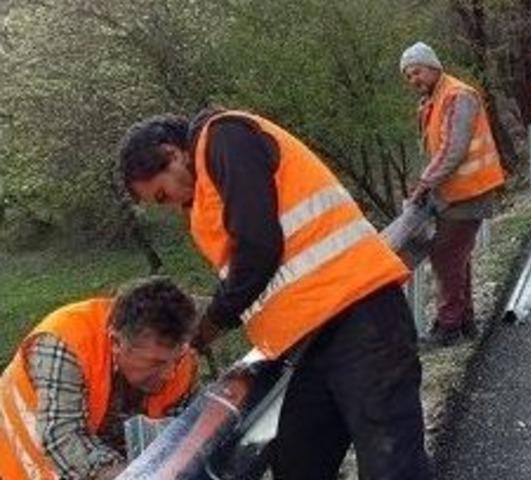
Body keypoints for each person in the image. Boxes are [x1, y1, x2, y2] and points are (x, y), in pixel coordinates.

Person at [118, 109, 430, 480]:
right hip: (310, 341)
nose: (169, 204)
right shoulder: (207, 189)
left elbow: (258, 248)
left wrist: (214, 321)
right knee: (299, 464)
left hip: (360, 318)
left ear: (172, 154)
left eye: (162, 193)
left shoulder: (225, 139)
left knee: (391, 464)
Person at [0, 276, 199, 480]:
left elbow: (177, 439)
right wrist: (130, 476)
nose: (170, 374)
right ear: (116, 342)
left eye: (176, 359)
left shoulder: (181, 362)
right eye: (155, 363)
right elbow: (63, 438)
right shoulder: (65, 343)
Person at [399, 41, 506, 346]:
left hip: (468, 193)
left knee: (446, 257)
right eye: (408, 76)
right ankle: (465, 321)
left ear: (432, 66)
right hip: (453, 194)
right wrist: (425, 183)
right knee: (456, 258)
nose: (413, 80)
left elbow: (453, 149)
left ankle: (448, 327)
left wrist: (424, 184)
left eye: (416, 72)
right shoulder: (434, 98)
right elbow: (432, 147)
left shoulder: (458, 96)